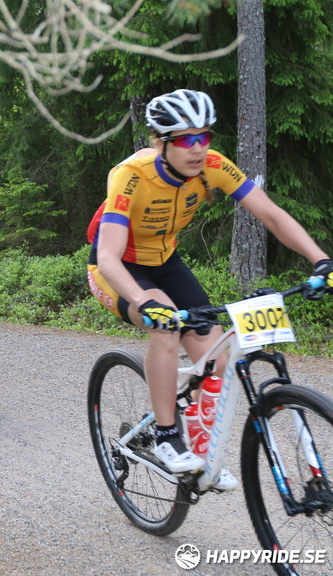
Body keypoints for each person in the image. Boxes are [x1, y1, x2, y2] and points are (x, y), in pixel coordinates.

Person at [86, 89, 333, 488]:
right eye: (186, 140)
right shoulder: (132, 176)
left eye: (204, 137)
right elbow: (109, 257)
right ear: (161, 142)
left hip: (166, 262)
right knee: (166, 326)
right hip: (115, 268)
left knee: (218, 359)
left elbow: (271, 214)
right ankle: (167, 437)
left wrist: (321, 260)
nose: (198, 148)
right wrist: (144, 302)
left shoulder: (213, 166)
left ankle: (201, 457)